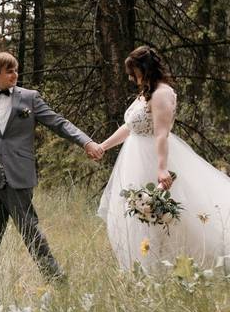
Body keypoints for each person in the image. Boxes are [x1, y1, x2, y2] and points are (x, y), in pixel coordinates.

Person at [0, 52, 104, 282]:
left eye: (16, 70)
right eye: (10, 71)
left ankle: (57, 280)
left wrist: (86, 142)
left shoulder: (30, 98)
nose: (15, 74)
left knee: (30, 231)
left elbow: (59, 123)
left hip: (18, 176)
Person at [96, 46, 230, 275]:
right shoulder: (145, 93)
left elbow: (161, 134)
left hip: (153, 159)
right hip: (133, 160)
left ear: (144, 69)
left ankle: (182, 266)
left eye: (133, 71)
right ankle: (144, 268)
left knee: (162, 214)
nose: (131, 77)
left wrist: (161, 169)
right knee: (138, 214)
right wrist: (103, 146)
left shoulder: (162, 94)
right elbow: (130, 127)